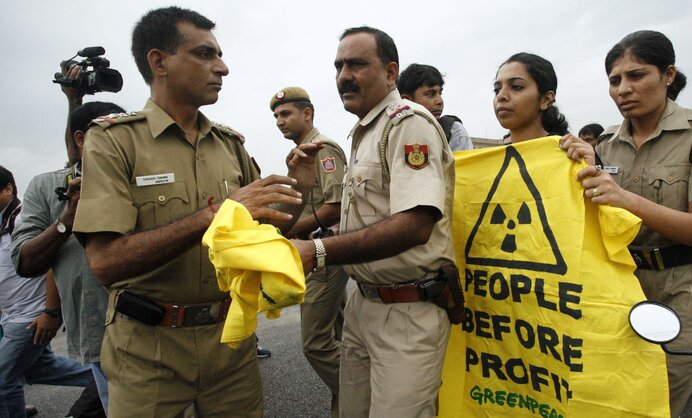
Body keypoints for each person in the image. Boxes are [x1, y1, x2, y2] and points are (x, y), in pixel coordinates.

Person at [71, 7, 319, 416]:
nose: (221, 68)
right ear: (159, 61)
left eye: (219, 55)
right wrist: (215, 215)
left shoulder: (229, 144)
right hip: (148, 351)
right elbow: (105, 263)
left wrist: (300, 187)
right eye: (205, 54)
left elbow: (263, 236)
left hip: (231, 343)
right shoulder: (114, 141)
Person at [560, 30, 692, 416]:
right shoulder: (605, 143)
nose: (623, 89)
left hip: (684, 288)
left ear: (668, 75)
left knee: (657, 402)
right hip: (622, 286)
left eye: (636, 75)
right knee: (616, 396)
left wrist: (624, 197)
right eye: (614, 80)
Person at [292, 26, 455, 417]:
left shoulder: (407, 123)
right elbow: (368, 218)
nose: (343, 75)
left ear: (390, 72)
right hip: (362, 303)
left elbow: (415, 224)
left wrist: (317, 250)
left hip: (408, 311)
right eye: (338, 66)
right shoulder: (365, 131)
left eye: (357, 64)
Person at [11, 101, 124, 413]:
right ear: (80, 139)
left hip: (153, 325)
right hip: (97, 329)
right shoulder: (48, 187)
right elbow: (26, 261)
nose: (124, 140)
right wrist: (67, 221)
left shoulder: (143, 178)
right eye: (109, 132)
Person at [270, 86, 348, 416]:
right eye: (275, 116)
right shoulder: (301, 154)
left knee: (315, 343)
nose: (279, 121)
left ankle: (366, 393)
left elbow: (335, 206)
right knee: (340, 336)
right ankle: (348, 405)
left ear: (308, 113)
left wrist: (290, 232)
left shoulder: (323, 149)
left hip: (323, 251)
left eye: (285, 113)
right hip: (317, 250)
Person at [1, 165, 94, 418]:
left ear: (8, 188)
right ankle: (109, 377)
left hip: (29, 316)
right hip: (11, 314)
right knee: (40, 369)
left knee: (2, 376)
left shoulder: (22, 218)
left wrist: (50, 311)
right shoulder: (3, 222)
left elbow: (52, 259)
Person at [493, 52, 569, 143]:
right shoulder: (490, 156)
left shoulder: (570, 155)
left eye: (516, 87)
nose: (500, 96)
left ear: (546, 99)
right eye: (497, 90)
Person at [397, 63, 473, 151]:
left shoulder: (453, 130)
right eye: (430, 94)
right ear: (407, 100)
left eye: (440, 93)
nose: (440, 101)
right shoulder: (393, 133)